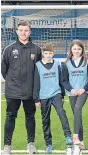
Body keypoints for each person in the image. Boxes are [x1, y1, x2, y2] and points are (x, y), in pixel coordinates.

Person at [1, 20, 41, 155]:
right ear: (17, 32)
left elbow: (39, 71)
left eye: (26, 30)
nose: (23, 33)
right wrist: (12, 83)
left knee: (30, 117)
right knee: (10, 117)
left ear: (30, 32)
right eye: (21, 30)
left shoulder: (36, 49)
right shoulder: (9, 49)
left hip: (30, 92)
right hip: (13, 92)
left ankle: (30, 144)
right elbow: (4, 70)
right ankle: (7, 146)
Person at [33, 43, 72, 153]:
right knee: (45, 121)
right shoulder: (38, 65)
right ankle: (48, 144)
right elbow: (36, 83)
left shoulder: (57, 64)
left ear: (53, 53)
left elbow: (61, 81)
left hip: (56, 94)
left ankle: (68, 136)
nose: (48, 55)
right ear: (43, 53)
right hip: (44, 96)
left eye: (50, 53)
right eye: (46, 53)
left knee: (61, 113)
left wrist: (62, 95)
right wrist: (36, 99)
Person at [62, 40, 88, 150]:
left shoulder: (87, 61)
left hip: (83, 91)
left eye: (79, 49)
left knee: (77, 109)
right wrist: (71, 89)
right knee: (77, 116)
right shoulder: (66, 63)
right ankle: (81, 141)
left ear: (82, 50)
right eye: (74, 49)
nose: (77, 51)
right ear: (71, 50)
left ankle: (75, 136)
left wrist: (84, 89)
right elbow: (64, 80)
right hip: (72, 92)